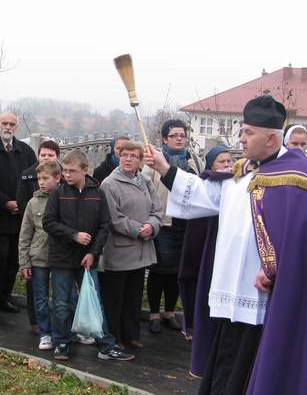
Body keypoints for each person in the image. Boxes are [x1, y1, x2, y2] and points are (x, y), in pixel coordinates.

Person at [145, 95, 307, 395]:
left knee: (252, 353)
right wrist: (165, 169)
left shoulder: (296, 180)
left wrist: (277, 272)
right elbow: (205, 197)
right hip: (232, 285)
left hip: (262, 293)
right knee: (229, 349)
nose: (241, 139)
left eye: (247, 133)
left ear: (272, 139)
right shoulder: (243, 172)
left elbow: (303, 240)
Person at [42, 149, 133, 362]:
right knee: (61, 303)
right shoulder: (58, 192)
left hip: (87, 259)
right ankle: (62, 342)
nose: (67, 175)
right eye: (64, 170)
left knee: (95, 302)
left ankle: (105, 345)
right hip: (62, 258)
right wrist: (73, 235)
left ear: (85, 170)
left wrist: (93, 253)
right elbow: (49, 222)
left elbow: (104, 226)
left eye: (72, 171)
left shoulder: (97, 193)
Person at [100, 141, 163, 348]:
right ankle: (114, 337)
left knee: (134, 297)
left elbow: (157, 211)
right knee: (115, 299)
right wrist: (139, 229)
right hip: (119, 251)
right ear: (119, 156)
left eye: (134, 156)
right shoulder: (109, 184)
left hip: (141, 251)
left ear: (140, 160)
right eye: (125, 155)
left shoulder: (145, 181)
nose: (129, 159)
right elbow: (114, 218)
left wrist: (152, 226)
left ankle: (131, 335)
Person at [181, 146, 234, 377]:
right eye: (221, 161)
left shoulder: (237, 184)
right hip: (208, 253)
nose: (227, 165)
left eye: (230, 160)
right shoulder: (205, 186)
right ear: (211, 165)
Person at [0, 112, 37, 318]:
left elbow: (34, 179)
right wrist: (5, 202)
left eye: (12, 124)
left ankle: (5, 297)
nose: (8, 127)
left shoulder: (26, 151)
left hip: (21, 216)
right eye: (5, 123)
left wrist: (22, 203)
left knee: (14, 259)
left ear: (16, 127)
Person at [142, 119, 194, 334]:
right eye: (174, 135)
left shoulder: (194, 161)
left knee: (176, 272)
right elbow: (144, 188)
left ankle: (170, 311)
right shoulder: (154, 161)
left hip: (186, 223)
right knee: (159, 270)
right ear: (164, 138)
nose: (179, 138)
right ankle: (154, 313)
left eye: (182, 135)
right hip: (162, 221)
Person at [16, 139, 62, 333]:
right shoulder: (32, 196)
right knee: (39, 294)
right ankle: (40, 327)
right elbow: (25, 233)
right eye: (43, 154)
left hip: (61, 255)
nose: (41, 182)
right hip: (38, 254)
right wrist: (24, 262)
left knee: (63, 296)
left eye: (50, 155)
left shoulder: (64, 196)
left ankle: (62, 330)